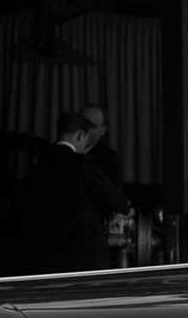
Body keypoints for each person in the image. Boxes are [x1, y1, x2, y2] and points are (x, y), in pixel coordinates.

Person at [42, 110, 131, 271]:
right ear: (80, 136)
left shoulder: (40, 161)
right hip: (84, 253)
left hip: (45, 253)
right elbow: (118, 202)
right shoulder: (81, 163)